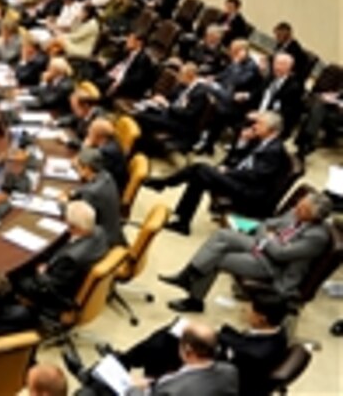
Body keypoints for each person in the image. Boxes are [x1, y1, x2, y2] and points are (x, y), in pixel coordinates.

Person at [65, 291, 288, 396]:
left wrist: (141, 385)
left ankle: (98, 374)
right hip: (207, 374)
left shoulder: (251, 357)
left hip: (177, 387)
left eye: (249, 310)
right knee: (170, 335)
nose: (244, 310)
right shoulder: (231, 368)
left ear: (262, 318)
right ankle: (116, 364)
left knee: (91, 393)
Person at [158, 191, 332, 313]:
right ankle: (187, 275)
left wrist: (268, 239)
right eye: (299, 206)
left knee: (218, 258)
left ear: (315, 217)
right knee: (222, 235)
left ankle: (194, 300)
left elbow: (280, 255)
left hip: (271, 266)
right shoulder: (296, 212)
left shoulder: (316, 237)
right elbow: (266, 224)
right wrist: (269, 238)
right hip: (263, 247)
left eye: (303, 210)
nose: (296, 211)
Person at [145, 111, 290, 234]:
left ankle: (163, 185)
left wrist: (229, 172)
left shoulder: (275, 151)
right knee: (199, 174)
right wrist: (242, 142)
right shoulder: (261, 141)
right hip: (240, 181)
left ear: (272, 130)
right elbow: (237, 158)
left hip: (249, 192)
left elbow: (256, 176)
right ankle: (182, 221)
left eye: (260, 124)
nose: (254, 126)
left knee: (201, 169)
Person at [69, 320, 238, 396]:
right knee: (164, 340)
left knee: (90, 392)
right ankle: (101, 371)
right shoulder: (229, 371)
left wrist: (135, 388)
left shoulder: (175, 391)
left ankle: (89, 377)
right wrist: (152, 383)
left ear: (188, 350)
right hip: (160, 386)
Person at [13, 200, 108, 320]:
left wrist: (41, 274)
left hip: (59, 297)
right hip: (72, 278)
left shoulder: (70, 258)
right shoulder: (100, 231)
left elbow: (47, 290)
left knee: (13, 273)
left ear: (73, 227)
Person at [133, 62, 211, 158]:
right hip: (172, 114)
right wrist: (161, 99)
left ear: (190, 76)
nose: (178, 77)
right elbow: (171, 97)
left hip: (182, 124)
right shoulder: (183, 84)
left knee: (144, 118)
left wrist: (167, 105)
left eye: (181, 74)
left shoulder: (200, 92)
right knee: (145, 111)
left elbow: (188, 115)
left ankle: (145, 149)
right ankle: (142, 144)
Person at [64, 148, 125, 248]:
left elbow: (78, 220)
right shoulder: (107, 176)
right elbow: (87, 188)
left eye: (78, 167)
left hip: (102, 241)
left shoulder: (91, 193)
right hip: (114, 230)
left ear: (87, 168)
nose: (76, 170)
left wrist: (63, 203)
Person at [255, 52, 305, 137]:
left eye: (280, 64)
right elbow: (258, 93)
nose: (276, 67)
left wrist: (262, 116)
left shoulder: (294, 87)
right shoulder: (270, 77)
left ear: (288, 67)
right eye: (275, 63)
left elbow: (285, 112)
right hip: (258, 111)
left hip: (273, 119)